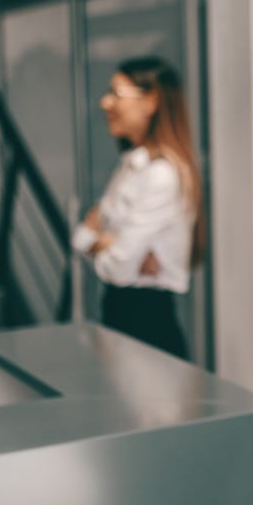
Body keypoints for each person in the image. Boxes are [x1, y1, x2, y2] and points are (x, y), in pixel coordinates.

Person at [72, 57, 201, 359]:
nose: (105, 103)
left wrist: (104, 243)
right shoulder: (132, 166)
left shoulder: (161, 175)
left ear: (151, 100)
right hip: (120, 316)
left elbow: (117, 268)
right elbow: (82, 238)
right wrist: (109, 245)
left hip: (147, 324)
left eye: (116, 94)